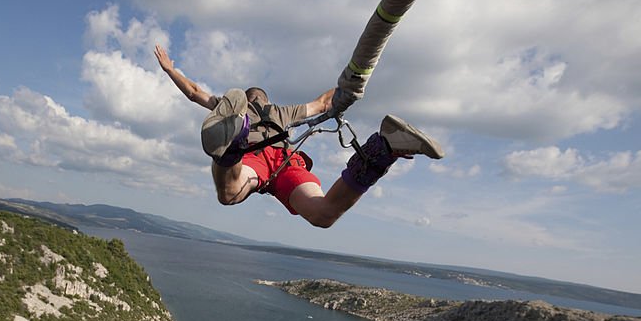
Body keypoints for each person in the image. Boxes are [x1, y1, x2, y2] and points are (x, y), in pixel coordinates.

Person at [154, 44, 444, 228]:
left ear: (248, 99)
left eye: (251, 96)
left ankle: (232, 147)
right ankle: (383, 151)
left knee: (235, 196)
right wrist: (352, 81)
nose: (255, 98)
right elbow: (321, 103)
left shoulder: (258, 110)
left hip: (264, 160)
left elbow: (194, 93)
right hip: (275, 161)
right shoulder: (274, 111)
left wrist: (170, 70)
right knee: (319, 214)